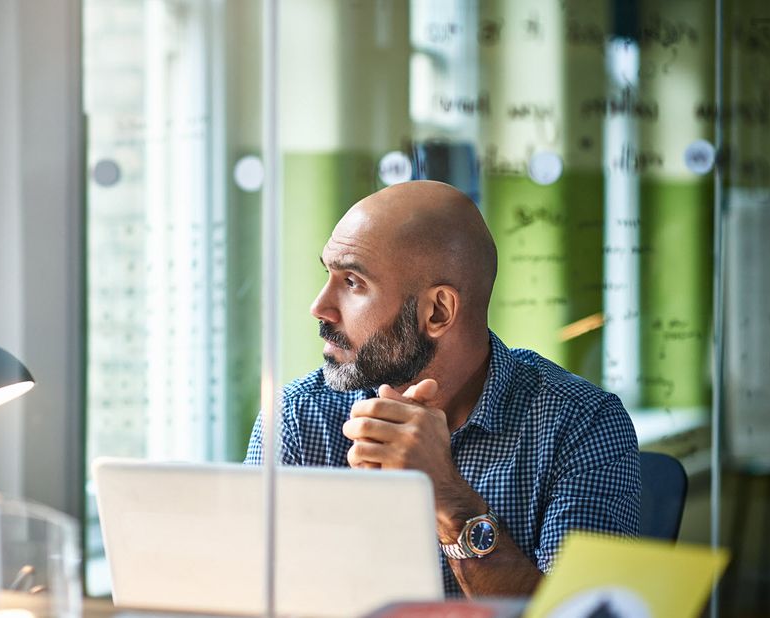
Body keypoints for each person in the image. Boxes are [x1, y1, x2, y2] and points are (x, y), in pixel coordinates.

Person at [245, 180, 640, 598]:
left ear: (437, 311)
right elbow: (242, 596)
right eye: (328, 274)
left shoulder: (583, 425)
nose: (319, 307)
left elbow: (581, 612)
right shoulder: (298, 417)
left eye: (353, 283)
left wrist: (447, 497)